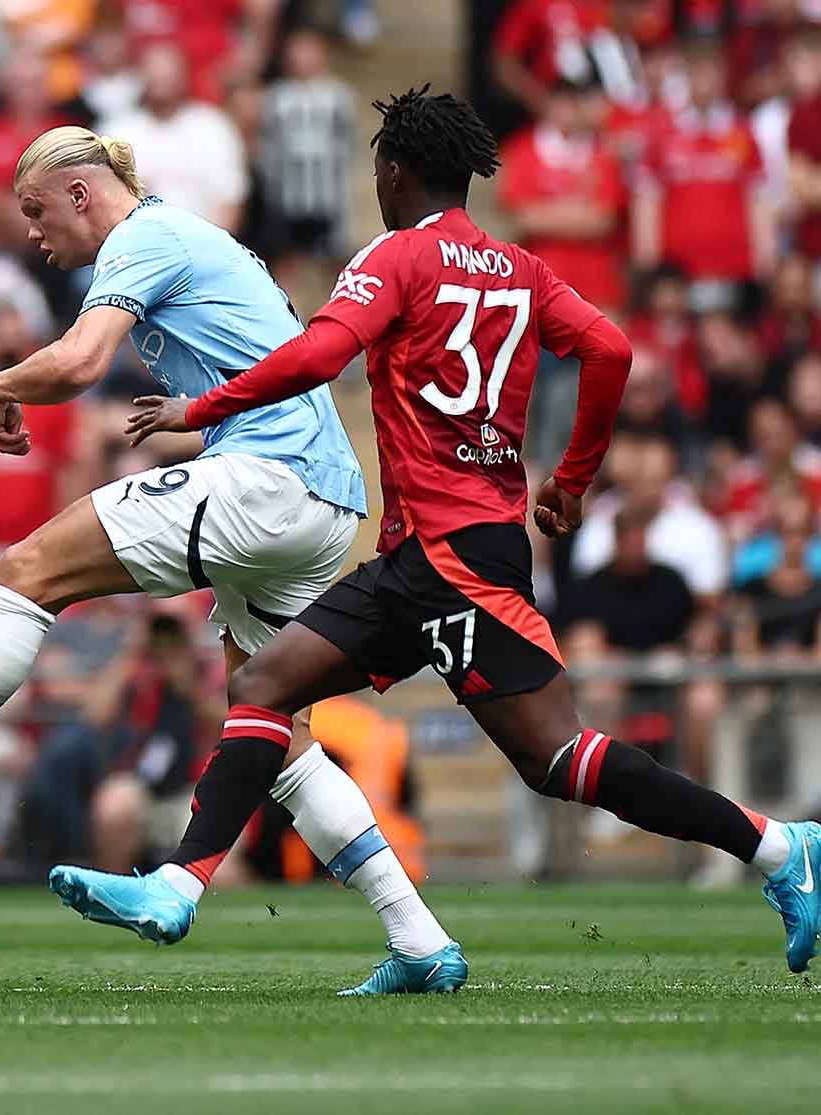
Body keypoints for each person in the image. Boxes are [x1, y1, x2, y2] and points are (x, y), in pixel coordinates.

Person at [94, 87, 821, 980]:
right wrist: (573, 478)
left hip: (455, 558)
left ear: (394, 172)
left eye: (377, 169)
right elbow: (610, 349)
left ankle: (780, 848)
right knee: (267, 678)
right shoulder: (522, 268)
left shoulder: (395, 257)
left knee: (557, 756)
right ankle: (188, 885)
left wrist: (200, 407)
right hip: (427, 553)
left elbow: (322, 356)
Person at [0, 125, 463, 994]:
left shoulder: (143, 238)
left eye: (37, 212)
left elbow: (78, 362)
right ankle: (418, 939)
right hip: (326, 498)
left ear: (81, 193)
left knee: (28, 571)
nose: (34, 236)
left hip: (268, 479)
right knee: (277, 729)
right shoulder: (193, 241)